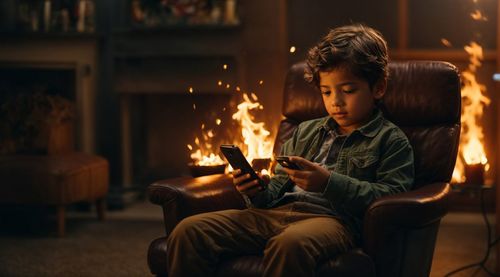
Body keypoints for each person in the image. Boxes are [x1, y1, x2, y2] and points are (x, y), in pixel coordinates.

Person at [166, 24, 415, 277]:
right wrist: (256, 190)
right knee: (189, 230)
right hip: (276, 212)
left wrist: (328, 182)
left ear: (378, 88)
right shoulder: (305, 131)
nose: (335, 102)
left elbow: (391, 196)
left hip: (332, 221)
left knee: (290, 244)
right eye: (326, 92)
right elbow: (274, 193)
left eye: (348, 91)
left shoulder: (390, 139)